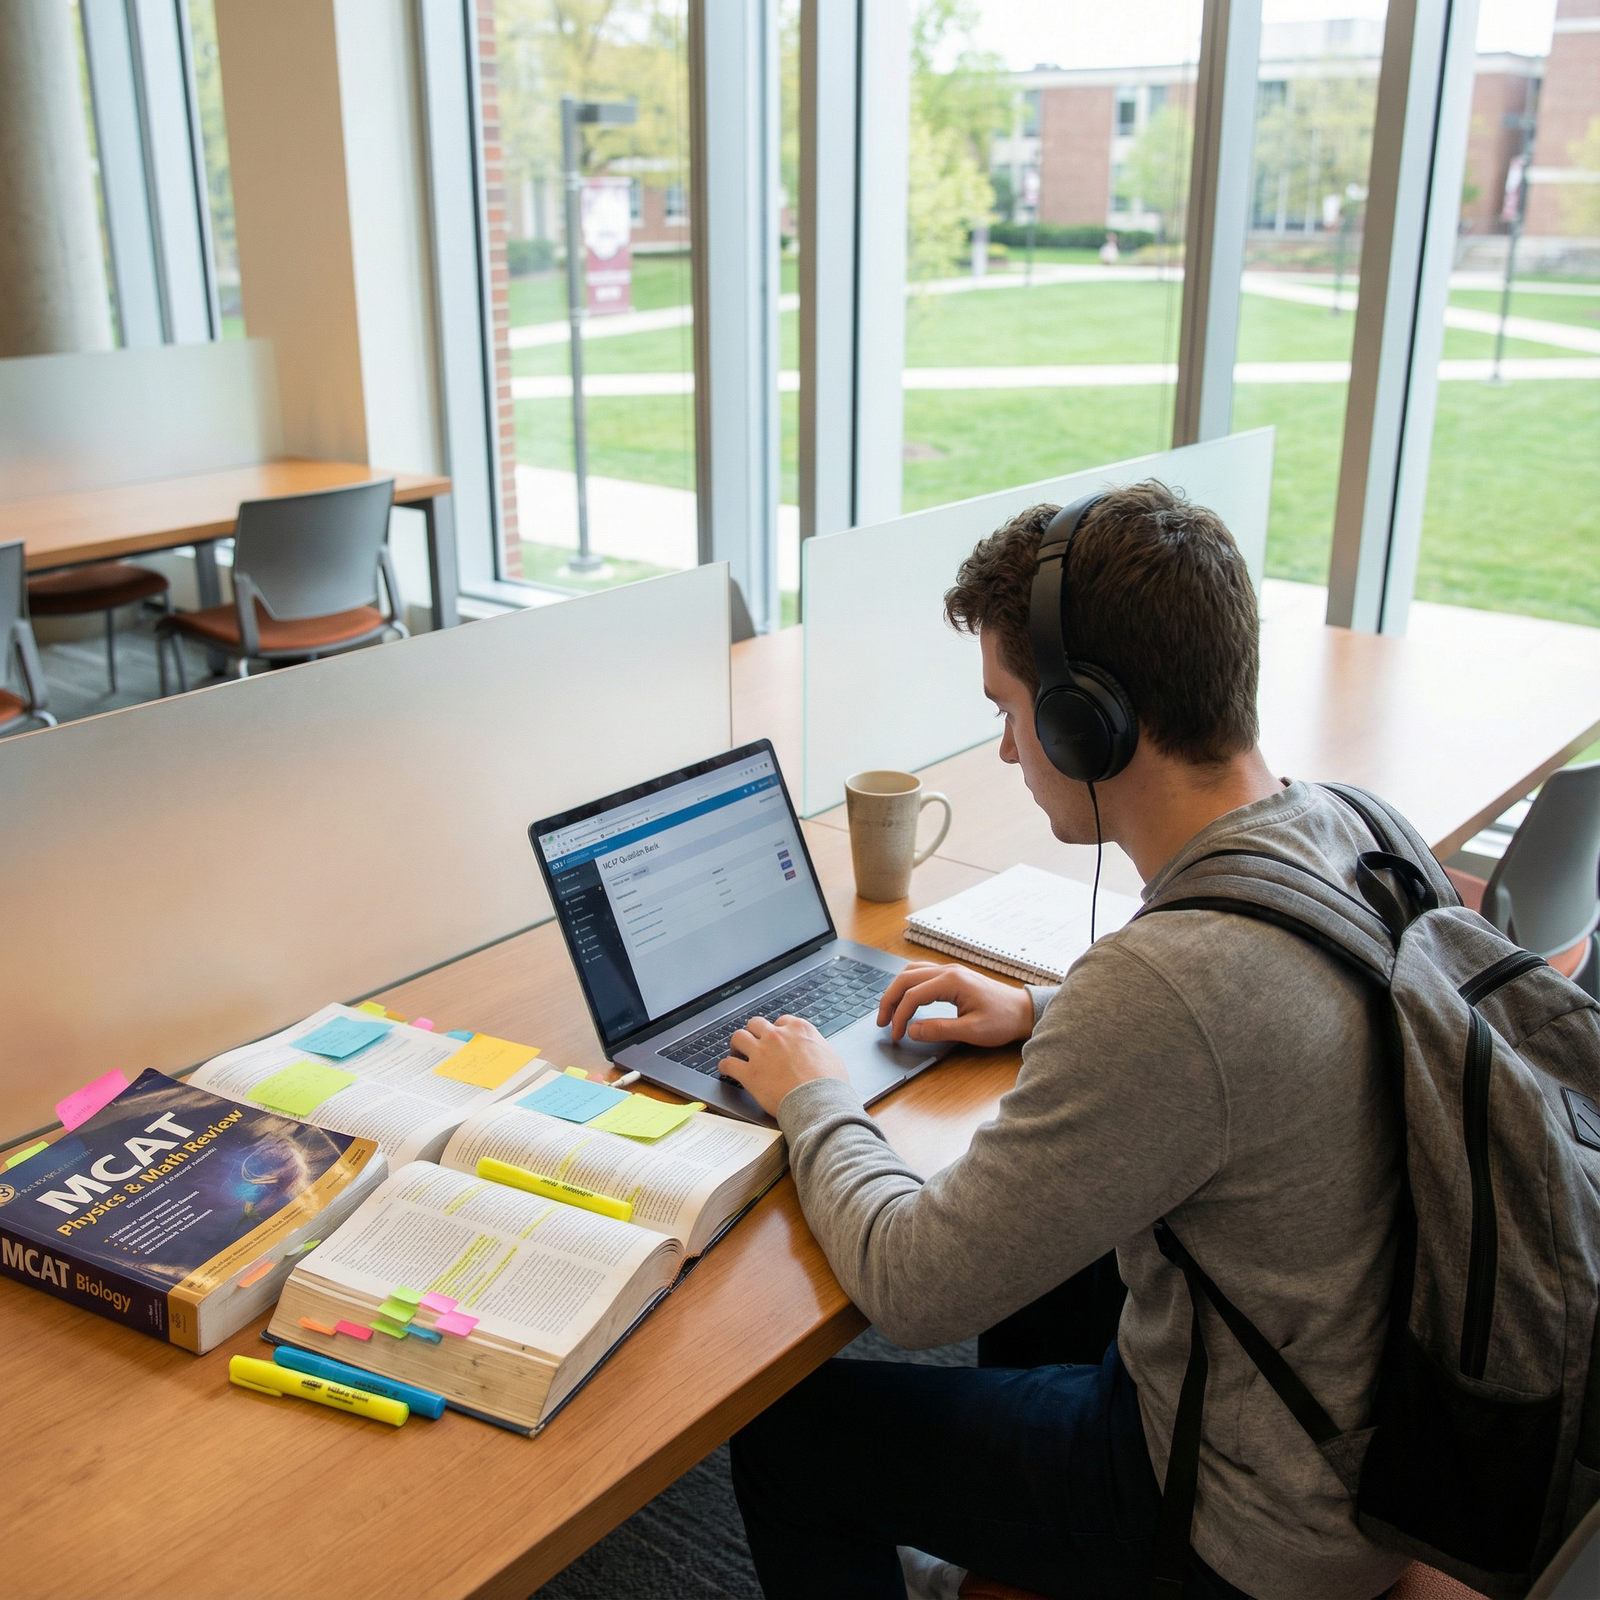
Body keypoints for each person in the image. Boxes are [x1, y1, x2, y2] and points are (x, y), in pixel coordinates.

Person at [717, 482, 1409, 1600]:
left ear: (1089, 721)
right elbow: (1236, 1040)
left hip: (1250, 1513)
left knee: (790, 1437)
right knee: (1051, 1252)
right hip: (1378, 1420)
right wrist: (1037, 1012)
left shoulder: (1165, 988)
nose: (1003, 750)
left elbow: (912, 1286)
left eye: (1009, 708)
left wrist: (813, 1094)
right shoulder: (1359, 828)